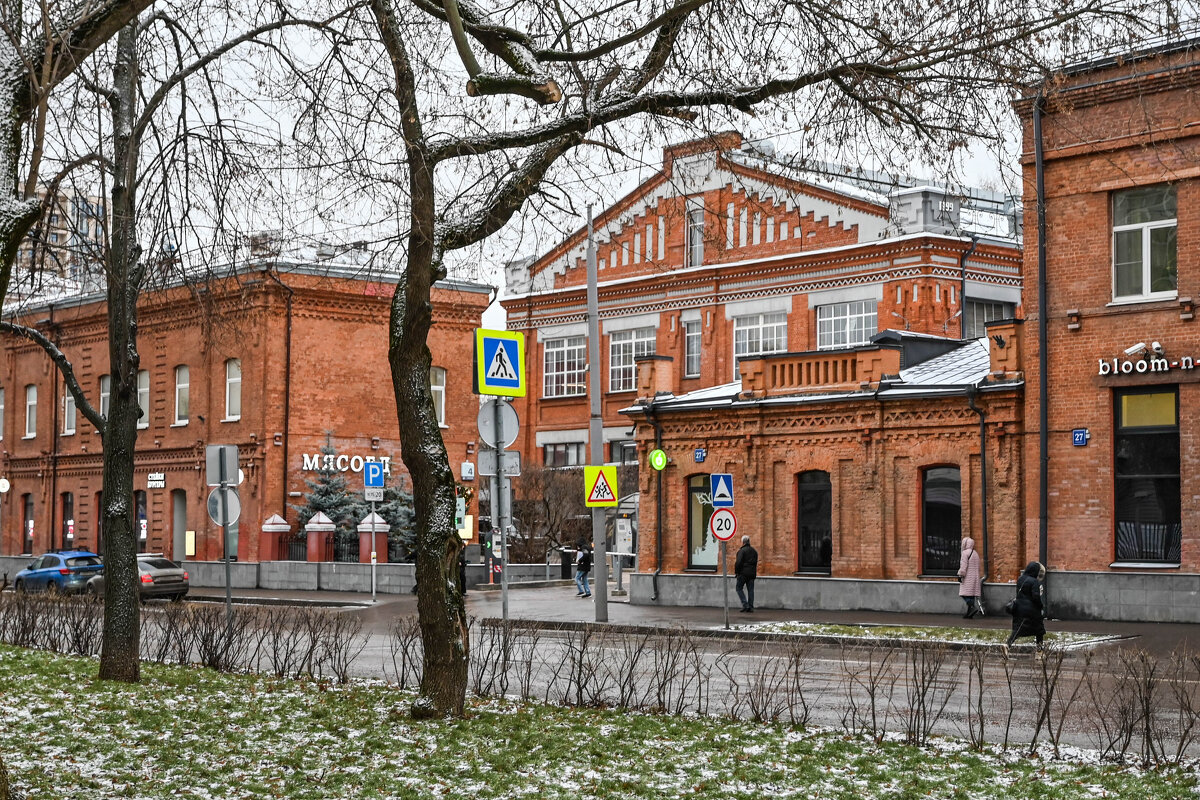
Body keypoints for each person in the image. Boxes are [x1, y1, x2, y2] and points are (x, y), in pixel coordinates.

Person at [1005, 561, 1046, 656]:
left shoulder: (1020, 579)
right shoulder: (1034, 582)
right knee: (1039, 631)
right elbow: (1036, 597)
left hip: (1019, 609)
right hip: (1031, 611)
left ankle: (1007, 645)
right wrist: (1041, 606)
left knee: (1017, 630)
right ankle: (1039, 652)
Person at [957, 537, 983, 619]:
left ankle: (972, 608)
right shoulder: (975, 553)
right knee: (971, 595)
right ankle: (969, 613)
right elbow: (978, 566)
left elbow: (963, 565)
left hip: (968, 577)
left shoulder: (965, 553)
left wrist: (961, 575)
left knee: (963, 594)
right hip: (975, 577)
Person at [734, 534, 758, 612]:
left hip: (743, 573)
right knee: (751, 590)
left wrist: (737, 572)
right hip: (752, 574)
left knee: (738, 588)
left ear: (743, 542)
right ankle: (750, 607)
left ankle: (745, 604)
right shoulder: (754, 551)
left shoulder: (741, 551)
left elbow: (738, 562)